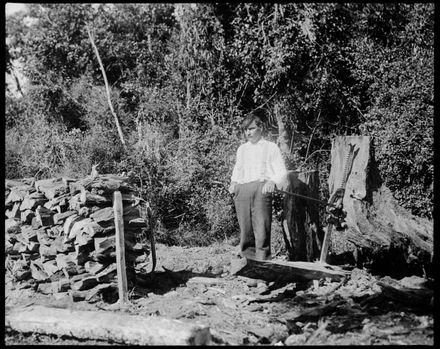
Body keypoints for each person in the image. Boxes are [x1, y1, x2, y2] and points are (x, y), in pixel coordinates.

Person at [228, 113, 287, 261]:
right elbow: (238, 169)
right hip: (242, 191)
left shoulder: (271, 147)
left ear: (260, 128)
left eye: (252, 128)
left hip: (261, 190)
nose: (248, 132)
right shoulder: (242, 149)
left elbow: (281, 171)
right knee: (246, 232)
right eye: (246, 130)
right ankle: (249, 269)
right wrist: (234, 183)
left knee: (261, 231)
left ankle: (262, 272)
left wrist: (272, 182)